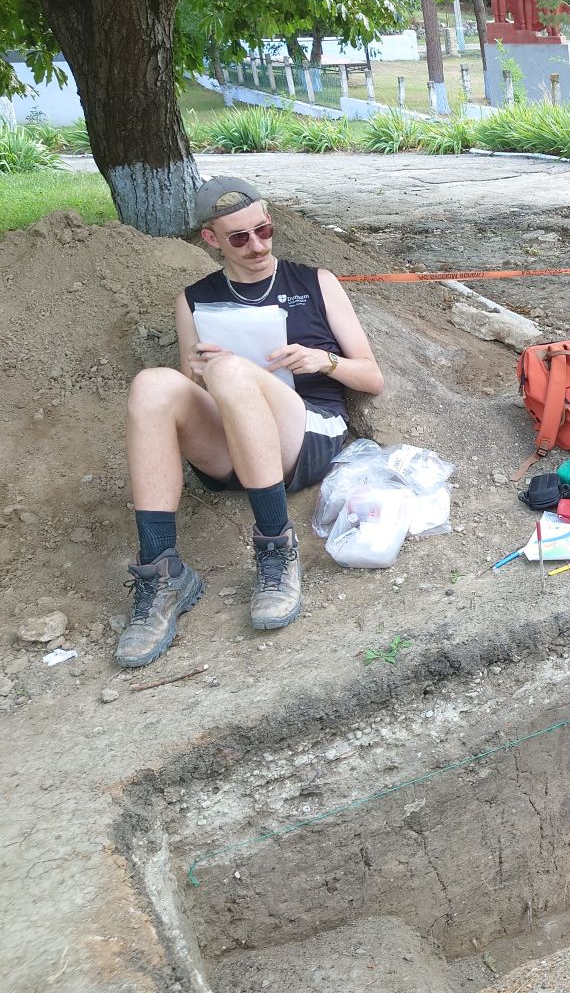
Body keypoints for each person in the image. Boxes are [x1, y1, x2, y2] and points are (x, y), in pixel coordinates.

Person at [115, 178, 384, 667]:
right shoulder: (194, 300)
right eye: (240, 237)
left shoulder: (314, 282)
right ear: (212, 240)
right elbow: (189, 398)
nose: (258, 245)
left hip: (307, 433)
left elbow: (372, 378)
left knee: (231, 369)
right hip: (233, 445)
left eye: (264, 230)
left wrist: (322, 361)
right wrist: (199, 372)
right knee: (152, 385)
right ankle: (161, 569)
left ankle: (276, 546)